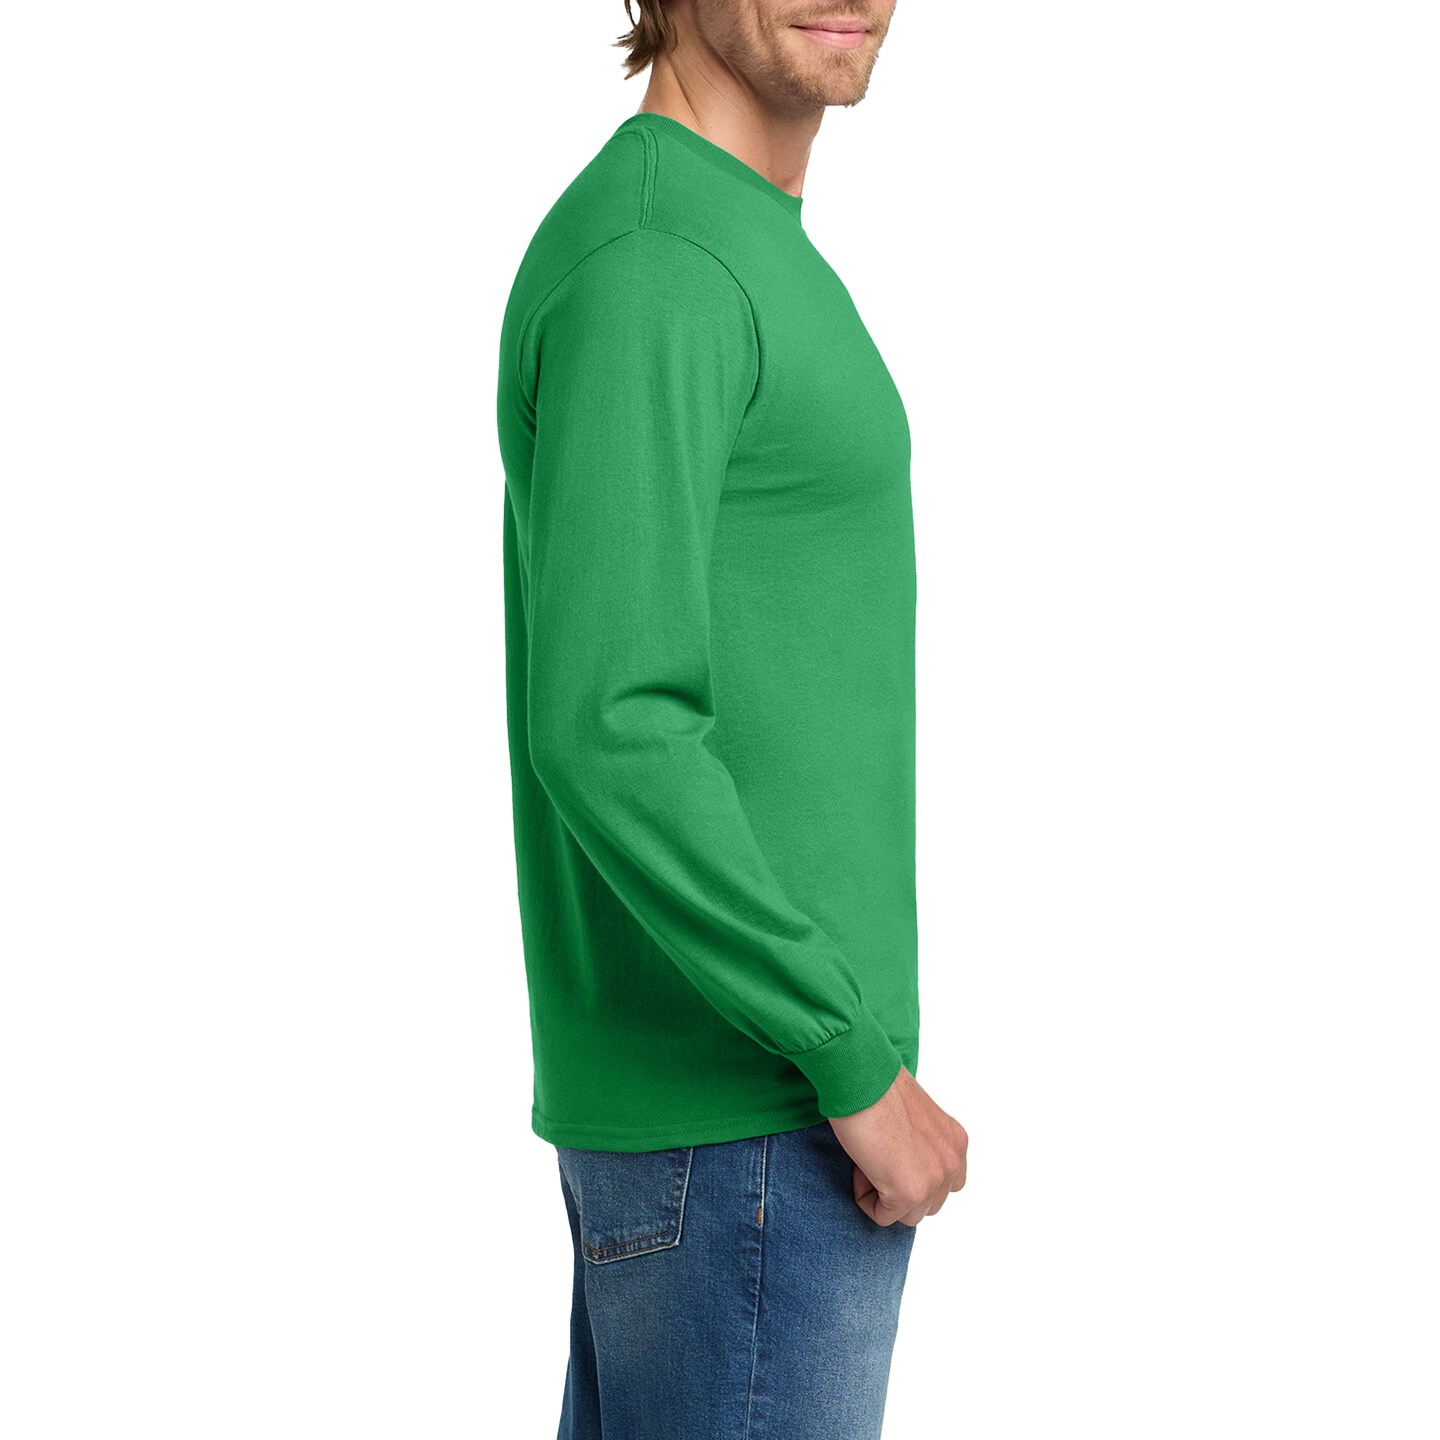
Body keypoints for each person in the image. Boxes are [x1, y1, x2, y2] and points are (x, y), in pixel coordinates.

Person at [495, 2, 967, 1433]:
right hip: (754, 1132)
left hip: (749, 1140)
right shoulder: (661, 260)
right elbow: (611, 723)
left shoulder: (725, 237)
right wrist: (849, 1058)